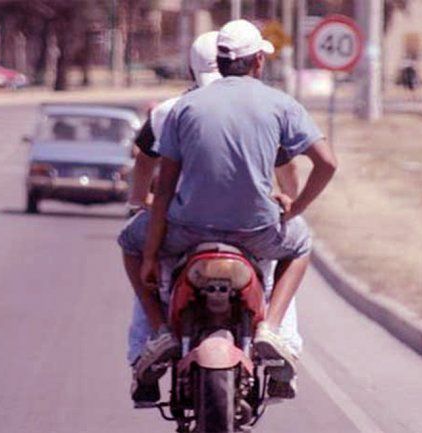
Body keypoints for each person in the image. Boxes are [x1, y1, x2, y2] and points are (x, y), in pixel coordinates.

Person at [119, 30, 308, 405]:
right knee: (275, 273)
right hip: (251, 226)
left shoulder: (170, 111)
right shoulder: (262, 107)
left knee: (149, 273)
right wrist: (284, 198)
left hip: (183, 226)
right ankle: (281, 343)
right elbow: (289, 175)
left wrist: (143, 202)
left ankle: (149, 346)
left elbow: (146, 165)